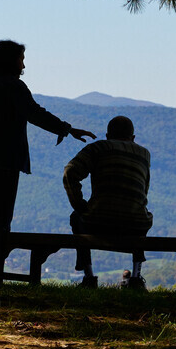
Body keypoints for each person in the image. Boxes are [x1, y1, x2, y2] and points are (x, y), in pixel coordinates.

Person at [0, 40, 96, 282]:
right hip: (4, 161)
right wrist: (67, 129)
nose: (23, 65)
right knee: (0, 220)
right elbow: (35, 113)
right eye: (21, 59)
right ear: (11, 60)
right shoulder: (14, 86)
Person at [63, 115, 153, 289]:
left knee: (76, 217)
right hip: (134, 227)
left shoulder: (98, 148)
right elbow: (144, 191)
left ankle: (89, 278)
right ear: (133, 137)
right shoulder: (144, 154)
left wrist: (80, 205)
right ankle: (136, 277)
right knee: (141, 214)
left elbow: (70, 172)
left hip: (98, 223)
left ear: (107, 135)